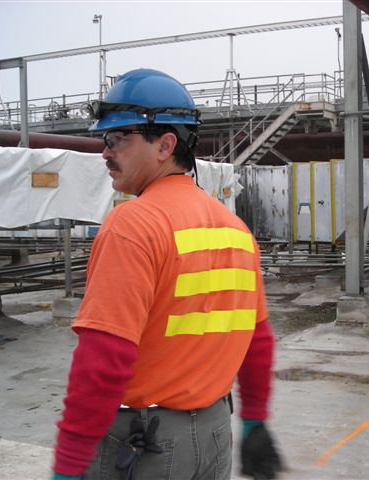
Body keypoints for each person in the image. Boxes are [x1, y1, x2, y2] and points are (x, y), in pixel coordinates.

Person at [52, 68, 282, 480]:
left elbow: (103, 360)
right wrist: (253, 422)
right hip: (213, 437)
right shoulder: (234, 230)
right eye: (106, 139)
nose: (105, 151)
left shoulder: (132, 225)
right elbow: (257, 339)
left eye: (118, 138)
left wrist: (68, 467)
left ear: (165, 145)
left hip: (142, 447)